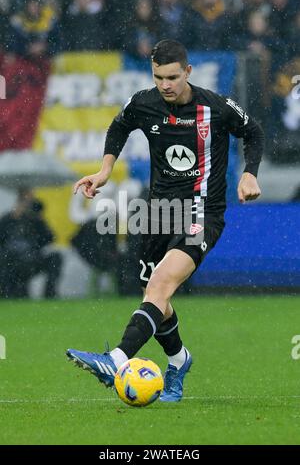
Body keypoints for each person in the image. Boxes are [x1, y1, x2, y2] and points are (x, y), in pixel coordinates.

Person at [66, 39, 263, 402]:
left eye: (173, 77)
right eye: (159, 77)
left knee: (159, 284)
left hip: (203, 212)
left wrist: (249, 173)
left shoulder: (215, 108)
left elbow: (254, 131)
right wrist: (105, 170)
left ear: (187, 72)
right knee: (157, 296)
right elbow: (119, 126)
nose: (166, 85)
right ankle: (179, 359)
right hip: (158, 214)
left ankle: (116, 359)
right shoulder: (144, 102)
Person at [0, 189, 62, 298]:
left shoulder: (35, 220)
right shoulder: (7, 219)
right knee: (5, 260)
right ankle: (6, 292)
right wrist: (14, 218)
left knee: (56, 257)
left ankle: (49, 294)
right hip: (11, 260)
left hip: (32, 258)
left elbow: (50, 238)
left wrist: (40, 220)